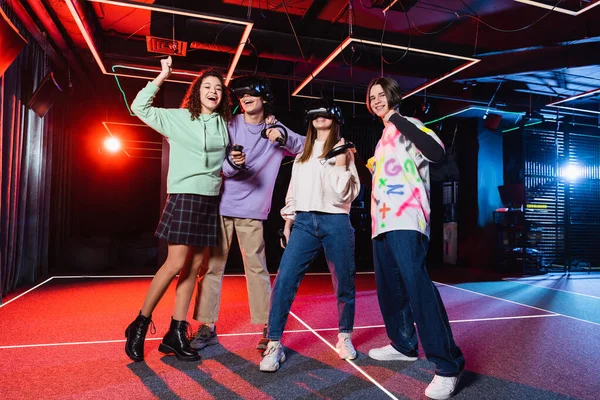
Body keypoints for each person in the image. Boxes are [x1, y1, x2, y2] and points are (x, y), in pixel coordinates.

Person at [124, 56, 237, 362]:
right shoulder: (177, 118)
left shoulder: (224, 127)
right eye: (207, 86)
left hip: (210, 198)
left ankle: (175, 332)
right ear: (197, 91)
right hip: (185, 195)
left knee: (195, 266)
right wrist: (162, 76)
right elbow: (139, 108)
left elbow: (222, 164)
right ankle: (139, 325)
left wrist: (233, 163)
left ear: (222, 96)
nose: (213, 90)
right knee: (175, 264)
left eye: (218, 88)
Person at [365, 76, 465, 400]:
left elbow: (436, 152)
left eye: (382, 95)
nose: (377, 100)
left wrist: (396, 118)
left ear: (393, 97)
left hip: (407, 219)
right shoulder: (382, 140)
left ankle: (448, 364)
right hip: (381, 223)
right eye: (372, 96)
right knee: (390, 291)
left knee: (418, 288)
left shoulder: (409, 123)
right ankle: (404, 345)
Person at [190, 76, 305, 351]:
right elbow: (217, 164)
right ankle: (207, 326)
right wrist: (232, 164)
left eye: (250, 93)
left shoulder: (275, 127)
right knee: (211, 268)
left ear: (263, 98)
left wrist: (283, 136)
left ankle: (269, 326)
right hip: (222, 205)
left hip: (253, 210)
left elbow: (303, 146)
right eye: (240, 95)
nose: (244, 98)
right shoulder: (229, 125)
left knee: (256, 269)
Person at [259, 99, 360, 372]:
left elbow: (343, 195)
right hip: (304, 221)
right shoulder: (303, 152)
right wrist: (289, 221)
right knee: (284, 281)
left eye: (325, 114)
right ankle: (274, 344)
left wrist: (340, 161)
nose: (319, 118)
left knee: (344, 283)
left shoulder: (344, 151)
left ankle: (344, 337)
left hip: (336, 221)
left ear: (335, 118)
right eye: (314, 115)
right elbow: (294, 189)